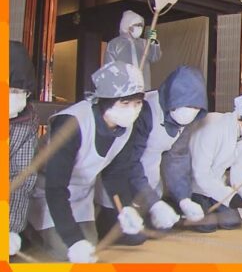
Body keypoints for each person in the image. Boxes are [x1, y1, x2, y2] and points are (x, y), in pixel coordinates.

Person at [28, 62, 145, 263]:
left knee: (92, 247)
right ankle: (28, 226)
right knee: (66, 250)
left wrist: (125, 208)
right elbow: (56, 187)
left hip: (82, 195)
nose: (133, 111)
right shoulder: (71, 123)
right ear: (104, 100)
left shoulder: (126, 126)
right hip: (47, 191)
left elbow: (115, 174)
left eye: (138, 103)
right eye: (125, 103)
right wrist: (73, 240)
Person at [97, 66, 209, 243]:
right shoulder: (145, 110)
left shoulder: (186, 120)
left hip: (149, 186)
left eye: (195, 106)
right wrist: (154, 203)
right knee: (135, 237)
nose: (190, 111)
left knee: (163, 230)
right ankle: (105, 218)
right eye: (185, 105)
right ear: (171, 99)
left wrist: (184, 199)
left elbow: (178, 158)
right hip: (123, 186)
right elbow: (130, 162)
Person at [188, 87, 242, 232]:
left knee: (231, 221)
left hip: (216, 185)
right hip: (193, 183)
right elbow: (200, 173)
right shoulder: (213, 126)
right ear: (241, 117)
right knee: (206, 225)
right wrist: (228, 196)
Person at [8, 42, 40, 257]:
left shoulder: (27, 121)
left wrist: (11, 229)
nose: (14, 97)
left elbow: (22, 177)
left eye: (20, 91)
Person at [104, 10, 161, 91]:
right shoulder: (114, 44)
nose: (140, 28)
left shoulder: (144, 43)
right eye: (137, 25)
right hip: (123, 90)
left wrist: (153, 42)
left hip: (143, 88)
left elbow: (154, 58)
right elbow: (109, 68)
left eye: (141, 25)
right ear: (127, 26)